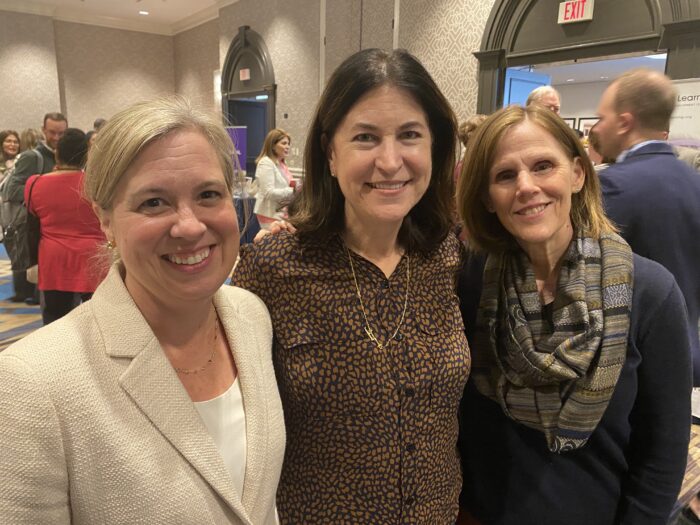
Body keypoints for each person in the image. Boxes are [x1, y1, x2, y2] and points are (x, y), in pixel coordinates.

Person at [0, 97, 284, 524]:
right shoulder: (36, 383)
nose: (189, 226)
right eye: (154, 202)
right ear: (106, 220)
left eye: (209, 194)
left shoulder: (252, 318)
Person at [233, 48, 470, 523]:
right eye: (365, 137)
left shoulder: (451, 255)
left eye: (409, 136)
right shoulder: (275, 267)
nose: (390, 160)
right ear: (330, 153)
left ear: (434, 147)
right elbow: (232, 424)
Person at [456, 104, 692, 524]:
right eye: (505, 175)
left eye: (543, 165)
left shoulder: (650, 294)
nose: (526, 187)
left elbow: (662, 452)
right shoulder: (472, 280)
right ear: (488, 199)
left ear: (578, 174)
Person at [593, 68, 700, 386]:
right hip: (685, 357)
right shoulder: (695, 184)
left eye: (601, 118)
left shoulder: (611, 186)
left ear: (624, 122)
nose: (596, 128)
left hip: (627, 365)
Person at [24, 128, 106, 324]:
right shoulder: (99, 184)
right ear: (87, 154)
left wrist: (31, 262)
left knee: (55, 321)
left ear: (56, 153)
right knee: (99, 321)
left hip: (54, 261)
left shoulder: (34, 184)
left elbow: (31, 229)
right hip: (95, 258)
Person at [2, 113, 67, 304]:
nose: (56, 138)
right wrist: (44, 192)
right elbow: (12, 190)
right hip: (33, 224)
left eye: (61, 133)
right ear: (44, 130)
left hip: (54, 226)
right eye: (52, 132)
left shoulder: (65, 155)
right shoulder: (33, 157)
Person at [253, 128, 294, 228]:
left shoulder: (281, 164)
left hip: (281, 212)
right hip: (269, 214)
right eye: (283, 143)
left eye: (288, 144)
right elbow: (268, 192)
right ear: (273, 146)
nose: (287, 147)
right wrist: (293, 191)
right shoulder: (266, 163)